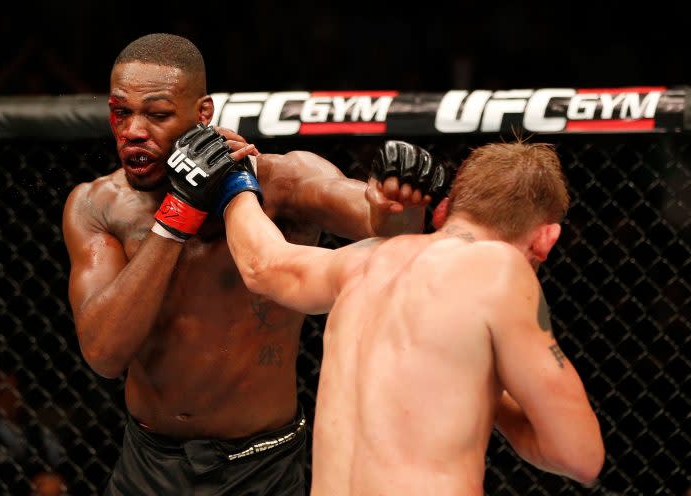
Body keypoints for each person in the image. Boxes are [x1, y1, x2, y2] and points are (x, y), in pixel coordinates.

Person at [61, 33, 444, 496]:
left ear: (203, 114)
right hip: (149, 465)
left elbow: (383, 223)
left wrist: (398, 197)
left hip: (261, 468)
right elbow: (104, 354)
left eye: (157, 114)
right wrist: (178, 212)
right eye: (121, 112)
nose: (133, 130)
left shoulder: (281, 182)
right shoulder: (97, 205)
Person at [223, 138, 606, 495]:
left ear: (441, 212)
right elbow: (579, 456)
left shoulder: (363, 260)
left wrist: (232, 178)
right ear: (546, 239)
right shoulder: (501, 269)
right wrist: (493, 390)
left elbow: (263, 263)